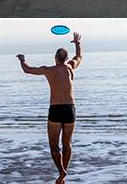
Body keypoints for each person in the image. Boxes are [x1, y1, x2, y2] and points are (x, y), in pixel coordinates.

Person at [16, 32, 82, 184]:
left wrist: (22, 60)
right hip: (70, 109)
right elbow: (79, 57)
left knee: (54, 145)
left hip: (55, 110)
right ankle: (63, 175)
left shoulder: (49, 70)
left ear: (55, 58)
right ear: (66, 59)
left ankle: (61, 171)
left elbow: (27, 69)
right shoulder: (70, 67)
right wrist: (78, 43)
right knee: (67, 144)